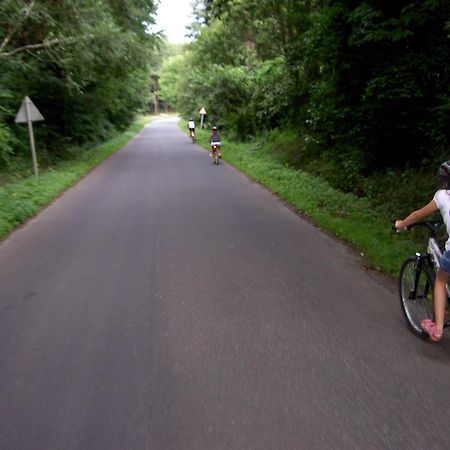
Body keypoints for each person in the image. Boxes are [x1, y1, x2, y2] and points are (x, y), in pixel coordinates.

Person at [395, 160, 450, 341]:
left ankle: (438, 328)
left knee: (440, 282)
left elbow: (418, 215)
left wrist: (402, 224)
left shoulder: (442, 196)